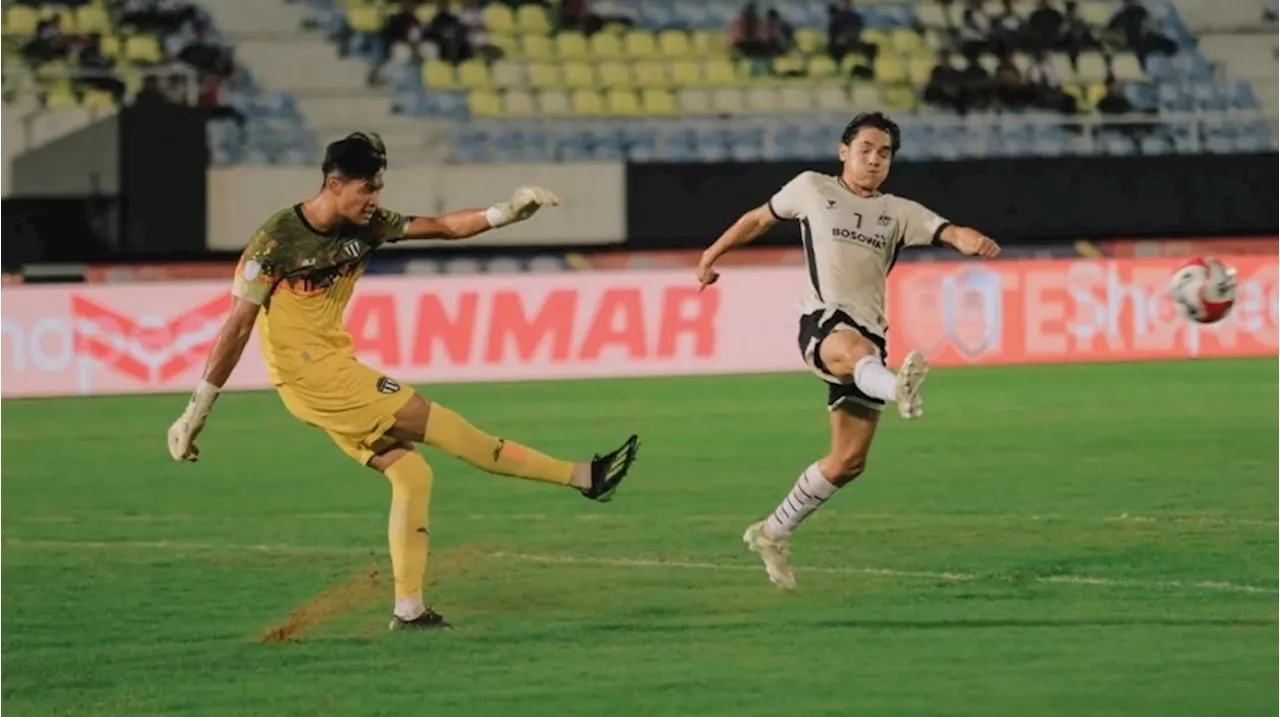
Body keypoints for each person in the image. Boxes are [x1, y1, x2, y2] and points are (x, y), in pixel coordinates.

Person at [166, 132, 641, 629]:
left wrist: (506, 212)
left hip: (326, 373)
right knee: (451, 429)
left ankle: (408, 610)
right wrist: (193, 415)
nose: (376, 200)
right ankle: (584, 477)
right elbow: (237, 325)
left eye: (379, 189)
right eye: (367, 190)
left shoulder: (368, 225)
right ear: (334, 184)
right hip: (315, 376)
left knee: (412, 475)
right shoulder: (276, 239)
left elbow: (442, 227)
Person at [695, 113, 1000, 591]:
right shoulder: (812, 188)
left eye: (884, 154)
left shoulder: (898, 211)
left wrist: (970, 240)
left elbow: (946, 229)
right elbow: (758, 219)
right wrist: (711, 255)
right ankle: (895, 384)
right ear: (844, 152)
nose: (874, 159)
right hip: (824, 322)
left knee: (848, 461)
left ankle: (772, 532)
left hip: (871, 336)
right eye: (866, 149)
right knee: (856, 351)